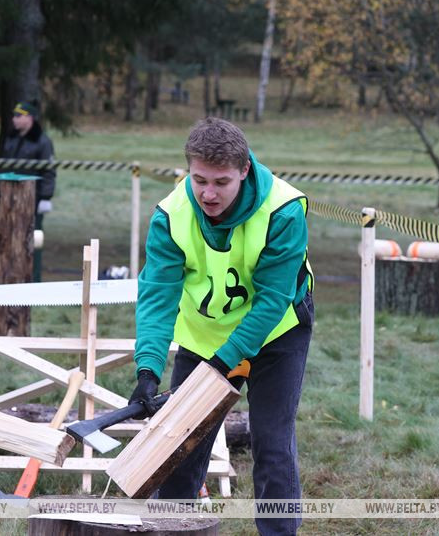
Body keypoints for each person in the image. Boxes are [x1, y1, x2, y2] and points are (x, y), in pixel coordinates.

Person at [130, 117, 314, 535]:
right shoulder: (170, 216)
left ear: (244, 169)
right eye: (199, 180)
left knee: (272, 444)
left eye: (221, 182)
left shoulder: (284, 210)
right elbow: (158, 297)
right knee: (180, 445)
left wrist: (224, 362)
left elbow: (272, 299)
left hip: (276, 333)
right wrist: (147, 369)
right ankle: (172, 530)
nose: (208, 194)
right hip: (204, 336)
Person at [0, 100, 55, 280]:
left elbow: (49, 171)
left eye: (19, 116)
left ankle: (33, 279)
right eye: (14, 115)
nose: (14, 119)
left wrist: (45, 197)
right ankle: (12, 276)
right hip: (10, 197)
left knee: (33, 240)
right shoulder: (11, 138)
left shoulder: (42, 141)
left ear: (30, 118)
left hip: (33, 199)